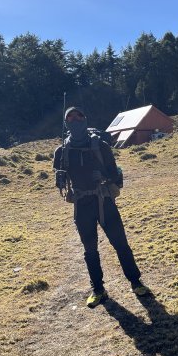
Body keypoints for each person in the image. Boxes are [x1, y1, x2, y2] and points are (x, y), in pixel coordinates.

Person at [53, 106, 150, 307]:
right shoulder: (62, 151)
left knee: (120, 243)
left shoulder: (101, 146)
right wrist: (60, 180)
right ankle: (98, 289)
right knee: (90, 250)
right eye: (70, 118)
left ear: (85, 119)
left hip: (104, 200)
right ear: (66, 123)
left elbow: (115, 174)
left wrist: (104, 177)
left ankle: (135, 282)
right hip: (81, 205)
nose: (75, 121)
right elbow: (61, 180)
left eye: (79, 116)